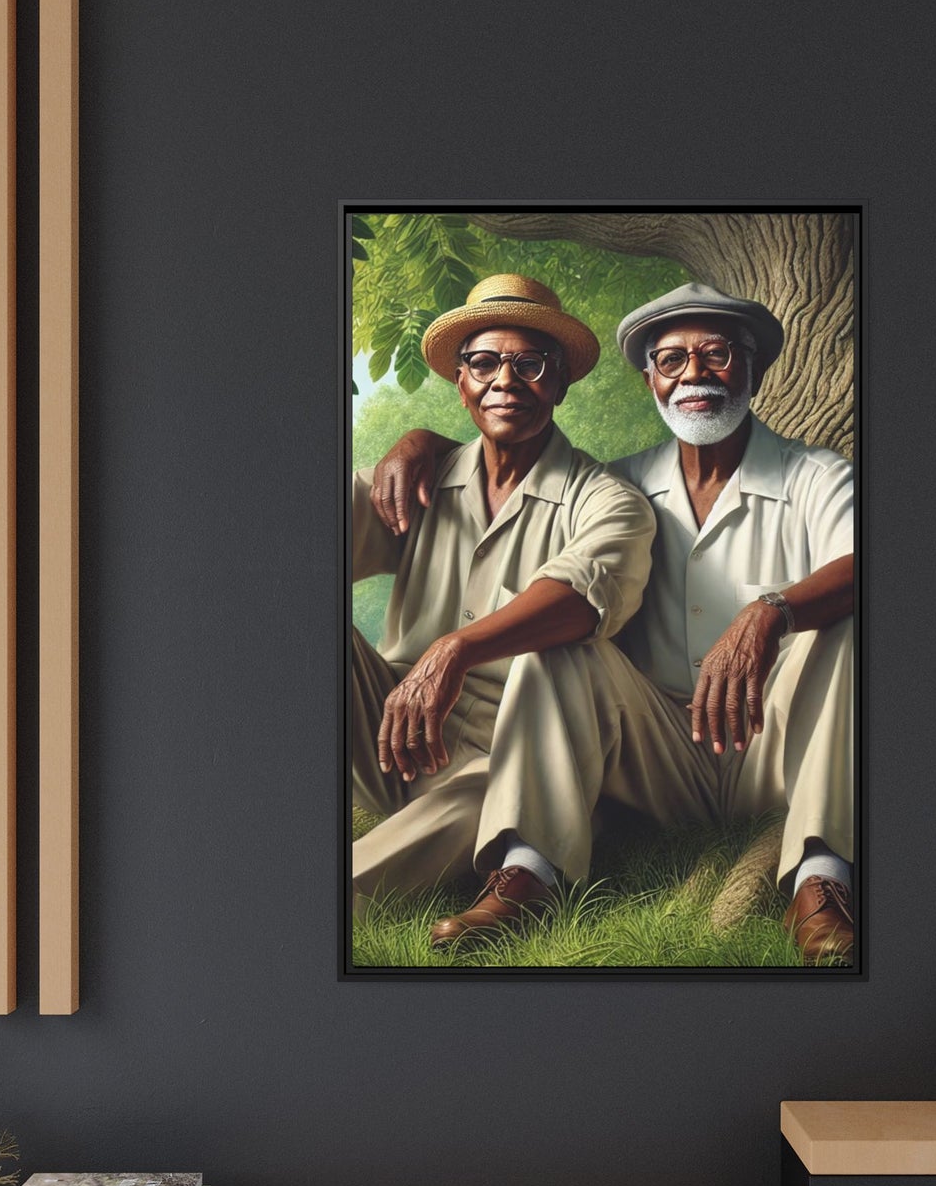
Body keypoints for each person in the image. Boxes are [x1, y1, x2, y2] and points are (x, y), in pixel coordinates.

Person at [372, 283, 856, 963]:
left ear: (753, 366)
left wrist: (769, 611)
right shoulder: (623, 483)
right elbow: (509, 443)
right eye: (670, 358)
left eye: (715, 354)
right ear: (649, 377)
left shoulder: (816, 476)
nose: (693, 373)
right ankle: (527, 876)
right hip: (660, 752)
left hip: (778, 743)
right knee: (563, 634)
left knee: (844, 628)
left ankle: (821, 881)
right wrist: (423, 440)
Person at [351, 274, 655, 946]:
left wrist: (452, 647)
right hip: (388, 730)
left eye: (529, 363)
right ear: (459, 381)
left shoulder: (607, 499)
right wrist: (408, 442)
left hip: (506, 762)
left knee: (458, 818)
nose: (504, 380)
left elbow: (583, 598)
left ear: (560, 381)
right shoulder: (421, 476)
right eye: (484, 362)